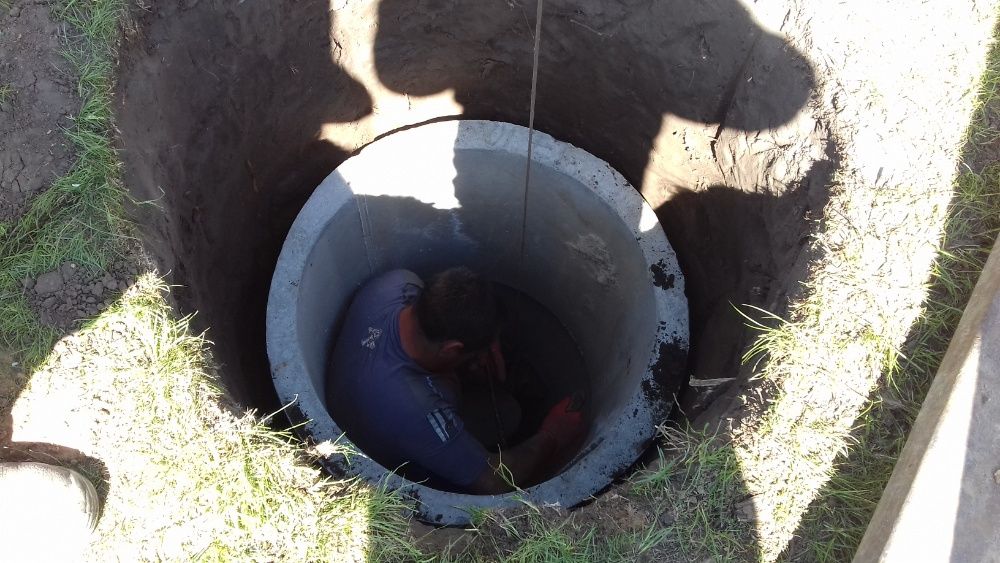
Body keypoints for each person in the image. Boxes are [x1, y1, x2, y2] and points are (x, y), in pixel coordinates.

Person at [326, 267, 585, 494]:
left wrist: (483, 342)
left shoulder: (397, 283)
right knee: (508, 415)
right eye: (472, 355)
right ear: (451, 349)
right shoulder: (414, 411)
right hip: (393, 454)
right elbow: (492, 481)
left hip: (371, 397)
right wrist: (552, 435)